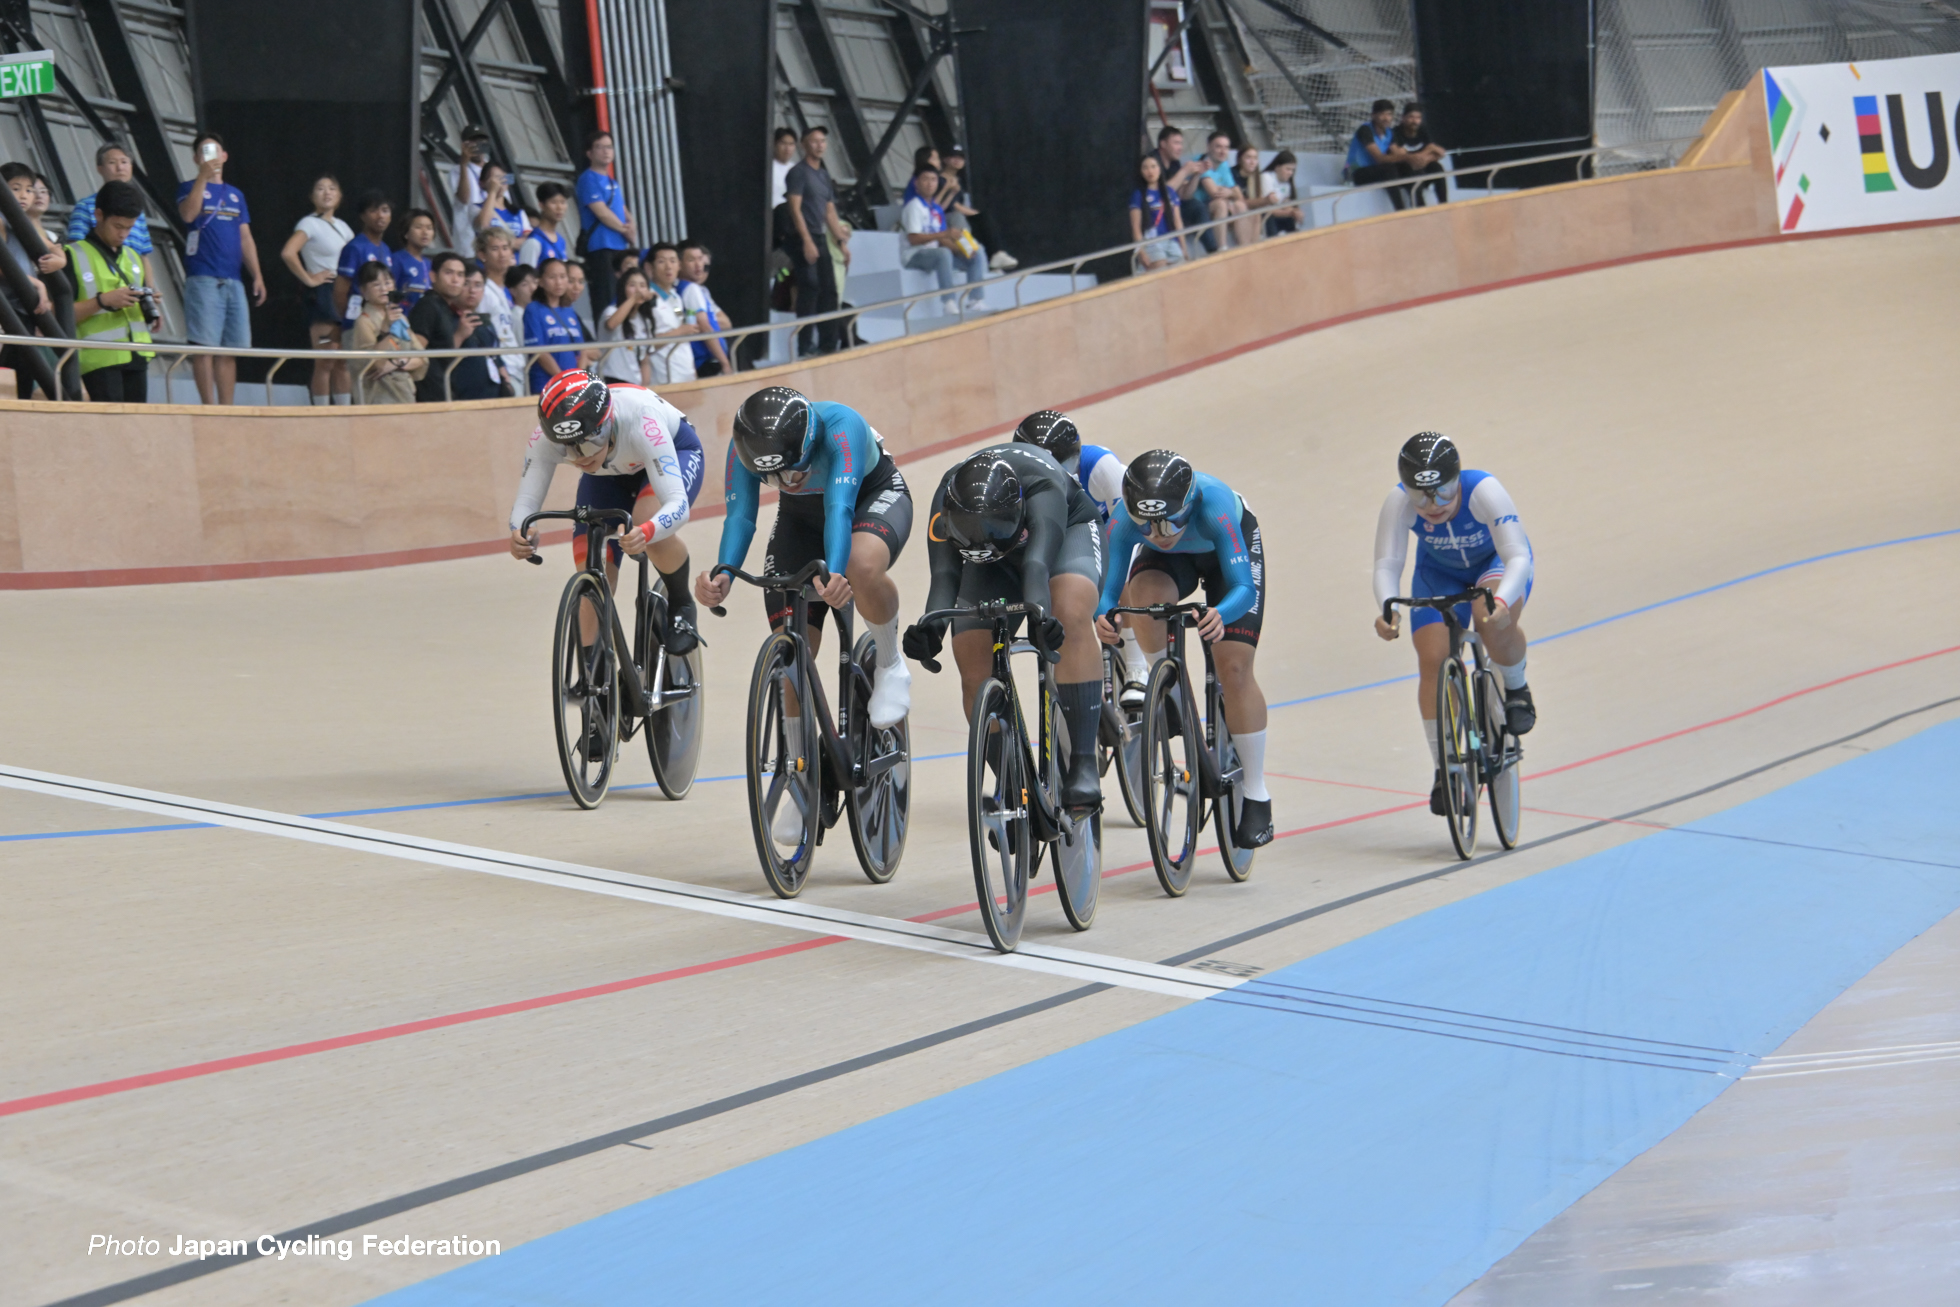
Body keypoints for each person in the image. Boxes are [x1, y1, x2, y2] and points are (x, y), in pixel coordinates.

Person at [696, 388, 913, 762]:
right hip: (801, 519)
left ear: (810, 445)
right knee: (790, 653)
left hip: (868, 497)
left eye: (793, 471)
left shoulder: (842, 427)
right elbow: (741, 517)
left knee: (859, 567)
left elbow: (839, 508)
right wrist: (724, 573)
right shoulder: (746, 447)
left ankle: (890, 662)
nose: (786, 481)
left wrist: (836, 573)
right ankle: (798, 772)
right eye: (773, 477)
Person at [904, 444, 1107, 807]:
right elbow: (944, 577)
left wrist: (1041, 619)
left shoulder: (1042, 490)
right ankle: (1011, 782)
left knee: (1070, 610)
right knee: (970, 654)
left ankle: (1083, 762)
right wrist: (929, 629)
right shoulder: (947, 501)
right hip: (988, 555)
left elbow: (1036, 569)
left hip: (1064, 535)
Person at [1094, 450, 1273, 847]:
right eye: (1148, 525)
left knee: (1235, 668)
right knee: (1141, 596)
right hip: (1172, 564)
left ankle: (1257, 793)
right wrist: (1104, 615)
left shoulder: (1215, 506)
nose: (1160, 533)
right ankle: (1169, 692)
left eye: (1171, 521)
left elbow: (1243, 587)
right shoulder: (1127, 521)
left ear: (1189, 504)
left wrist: (1221, 612)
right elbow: (1109, 590)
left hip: (1227, 558)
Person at [1371, 432, 1535, 813]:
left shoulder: (1484, 491)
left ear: (1457, 479)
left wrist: (1502, 600)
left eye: (1443, 492)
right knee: (1431, 659)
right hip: (1438, 574)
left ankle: (1516, 688)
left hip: (1494, 564)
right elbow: (1387, 565)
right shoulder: (1398, 503)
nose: (1432, 505)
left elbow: (1517, 556)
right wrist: (1386, 608)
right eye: (1420, 496)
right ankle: (1444, 767)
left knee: (1488, 620)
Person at [508, 371, 705, 668]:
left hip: (674, 452)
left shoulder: (642, 420)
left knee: (644, 521)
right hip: (608, 475)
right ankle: (592, 668)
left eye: (586, 444)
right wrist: (520, 532)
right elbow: (525, 504)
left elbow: (677, 504)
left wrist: (649, 531)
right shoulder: (548, 438)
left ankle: (681, 603)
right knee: (591, 569)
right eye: (567, 449)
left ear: (607, 423)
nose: (579, 458)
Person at [1013, 410, 1146, 698]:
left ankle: (1137, 667)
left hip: (1114, 536)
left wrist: (1105, 605)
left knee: (1121, 574)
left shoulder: (1100, 466)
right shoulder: (1017, 477)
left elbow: (1130, 529)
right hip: (1066, 539)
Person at [176, 132, 265, 405]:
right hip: (204, 277)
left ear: (225, 156)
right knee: (204, 346)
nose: (211, 157)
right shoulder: (187, 187)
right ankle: (208, 405)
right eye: (204, 152)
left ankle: (227, 407)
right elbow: (188, 215)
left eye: (214, 151)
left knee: (230, 349)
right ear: (195, 158)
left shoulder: (236, 195)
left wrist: (257, 275)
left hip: (233, 279)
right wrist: (202, 178)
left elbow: (245, 236)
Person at [66, 180, 158, 403]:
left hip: (138, 354)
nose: (124, 234)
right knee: (110, 430)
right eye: (118, 226)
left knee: (135, 429)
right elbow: (56, 314)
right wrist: (103, 301)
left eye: (130, 227)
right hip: (99, 359)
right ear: (98, 215)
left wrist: (150, 305)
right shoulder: (72, 255)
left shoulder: (134, 257)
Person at [278, 173, 352, 405]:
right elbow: (288, 252)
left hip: (344, 295)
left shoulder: (343, 227)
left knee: (343, 359)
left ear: (339, 196)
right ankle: (321, 413)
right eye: (321, 188)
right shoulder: (309, 223)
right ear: (312, 197)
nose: (327, 192)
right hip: (323, 295)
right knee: (326, 358)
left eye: (332, 188)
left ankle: (344, 413)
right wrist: (309, 279)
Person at [783, 125, 850, 357]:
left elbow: (829, 212)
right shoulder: (798, 173)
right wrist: (806, 240)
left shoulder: (823, 174)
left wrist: (841, 242)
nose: (819, 145)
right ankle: (804, 344)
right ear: (804, 145)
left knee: (829, 290)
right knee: (810, 286)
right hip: (800, 236)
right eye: (814, 141)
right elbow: (794, 208)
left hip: (820, 236)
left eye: (822, 141)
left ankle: (828, 344)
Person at [899, 164, 986, 309]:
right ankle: (948, 302)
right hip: (914, 256)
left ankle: (975, 300)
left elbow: (942, 240)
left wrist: (961, 250)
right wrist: (944, 234)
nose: (930, 183)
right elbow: (913, 239)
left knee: (974, 253)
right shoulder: (913, 206)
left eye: (933, 180)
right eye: (925, 179)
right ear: (916, 182)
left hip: (936, 256)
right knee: (943, 254)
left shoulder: (936, 209)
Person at [66, 144, 154, 288]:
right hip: (101, 284)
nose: (120, 168)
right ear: (99, 168)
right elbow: (75, 248)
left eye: (124, 162)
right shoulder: (86, 206)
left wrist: (150, 290)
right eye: (112, 163)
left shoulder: (138, 212)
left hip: (134, 286)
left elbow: (143, 255)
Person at [577, 131, 636, 326]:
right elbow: (601, 212)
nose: (606, 151)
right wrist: (624, 229)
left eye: (609, 147)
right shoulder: (588, 179)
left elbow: (623, 210)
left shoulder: (613, 182)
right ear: (589, 153)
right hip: (601, 247)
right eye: (600, 147)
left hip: (619, 248)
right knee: (606, 298)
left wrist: (631, 225)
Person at [346, 261, 426, 405]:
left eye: (388, 283)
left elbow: (421, 358)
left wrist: (398, 364)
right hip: (377, 395)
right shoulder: (364, 321)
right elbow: (374, 363)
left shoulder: (401, 318)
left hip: (404, 392)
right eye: (376, 285)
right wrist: (386, 329)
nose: (384, 289)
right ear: (363, 291)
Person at [408, 251, 482, 402]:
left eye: (460, 275)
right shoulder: (428, 306)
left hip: (444, 389)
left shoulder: (444, 308)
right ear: (433, 276)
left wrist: (460, 335)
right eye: (449, 273)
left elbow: (443, 351)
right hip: (427, 395)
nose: (455, 280)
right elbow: (415, 351)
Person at [938, 144, 1017, 271]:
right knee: (974, 218)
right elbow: (954, 206)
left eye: (961, 158)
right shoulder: (939, 180)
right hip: (945, 220)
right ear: (945, 159)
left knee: (982, 222)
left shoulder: (957, 181)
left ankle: (994, 256)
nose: (957, 160)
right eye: (953, 156)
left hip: (957, 218)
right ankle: (973, 258)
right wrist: (975, 214)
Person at [332, 190, 393, 336]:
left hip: (382, 322)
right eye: (373, 211)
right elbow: (340, 291)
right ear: (362, 216)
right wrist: (349, 321)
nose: (380, 216)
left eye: (385, 210)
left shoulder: (386, 249)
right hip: (358, 324)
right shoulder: (354, 248)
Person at [522, 257, 585, 393]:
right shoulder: (533, 309)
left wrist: (579, 380)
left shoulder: (570, 311)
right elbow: (539, 351)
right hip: (547, 385)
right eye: (552, 277)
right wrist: (563, 380)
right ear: (541, 281)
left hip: (574, 386)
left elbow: (581, 350)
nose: (558, 282)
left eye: (563, 277)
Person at [642, 242, 702, 385]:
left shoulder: (675, 297)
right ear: (649, 267)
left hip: (687, 373)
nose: (669, 267)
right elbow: (644, 344)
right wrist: (680, 331)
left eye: (673, 261)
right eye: (662, 261)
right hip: (664, 378)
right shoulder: (645, 299)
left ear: (679, 266)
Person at [474, 227, 524, 390]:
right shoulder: (483, 290)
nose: (502, 254)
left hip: (516, 367)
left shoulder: (505, 290)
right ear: (482, 255)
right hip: (499, 371)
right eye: (495, 249)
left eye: (506, 248)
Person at [676, 240, 733, 377]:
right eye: (691, 260)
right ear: (680, 264)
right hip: (707, 362)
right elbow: (704, 326)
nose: (698, 265)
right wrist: (725, 363)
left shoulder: (678, 289)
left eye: (700, 259)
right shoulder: (691, 289)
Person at [452, 266, 509, 399]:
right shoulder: (447, 319)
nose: (472, 291)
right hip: (462, 398)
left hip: (493, 395)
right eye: (466, 284)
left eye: (478, 285)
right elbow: (441, 357)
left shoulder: (485, 322)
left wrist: (506, 379)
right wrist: (460, 334)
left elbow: (495, 355)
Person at [1348, 99, 1416, 210]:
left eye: (1389, 114)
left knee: (1407, 168)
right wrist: (1407, 156)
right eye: (1382, 114)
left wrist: (1412, 158)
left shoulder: (1389, 133)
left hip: (1376, 171)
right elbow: (1379, 158)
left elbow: (1397, 153)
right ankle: (1400, 210)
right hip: (1357, 174)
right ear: (1373, 115)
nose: (1386, 118)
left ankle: (1419, 208)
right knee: (1388, 169)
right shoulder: (1365, 130)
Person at [1149, 126, 1209, 249]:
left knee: (1196, 206)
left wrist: (1197, 175)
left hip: (1171, 207)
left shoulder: (1174, 163)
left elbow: (1184, 195)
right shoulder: (1151, 162)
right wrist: (1184, 172)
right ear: (1163, 144)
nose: (1180, 148)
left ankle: (1213, 249)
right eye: (1176, 143)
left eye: (1181, 143)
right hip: (1153, 210)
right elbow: (1158, 194)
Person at [597, 263, 655, 385]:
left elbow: (645, 359)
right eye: (632, 285)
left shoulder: (645, 320)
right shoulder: (611, 311)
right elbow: (612, 324)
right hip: (612, 379)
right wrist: (634, 298)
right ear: (623, 288)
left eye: (643, 285)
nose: (638, 290)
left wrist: (645, 387)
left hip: (635, 382)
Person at [1129, 154, 1186, 270]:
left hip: (1171, 240)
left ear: (1159, 169)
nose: (1150, 171)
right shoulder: (1138, 195)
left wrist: (1183, 247)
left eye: (1153, 166)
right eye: (1145, 168)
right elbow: (1136, 227)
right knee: (1160, 268)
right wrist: (1141, 251)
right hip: (1151, 242)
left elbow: (1177, 221)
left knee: (1179, 271)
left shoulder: (1169, 192)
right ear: (1140, 171)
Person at [1197, 132, 1251, 248]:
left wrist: (1230, 193)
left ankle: (1244, 247)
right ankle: (1222, 248)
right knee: (1221, 204)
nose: (1223, 151)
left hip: (1214, 205)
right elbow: (1214, 193)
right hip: (1198, 209)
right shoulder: (1201, 162)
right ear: (1208, 147)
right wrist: (1230, 195)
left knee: (1240, 205)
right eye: (1218, 146)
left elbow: (1238, 195)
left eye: (1226, 147)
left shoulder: (1223, 164)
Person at [1394, 103, 1448, 207]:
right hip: (1405, 172)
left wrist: (1423, 157)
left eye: (1418, 118)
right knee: (1411, 171)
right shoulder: (1396, 133)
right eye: (1411, 117)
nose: (1415, 121)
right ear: (1403, 118)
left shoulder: (1422, 131)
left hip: (1422, 167)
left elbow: (1440, 153)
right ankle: (1420, 208)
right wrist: (1427, 151)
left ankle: (1444, 205)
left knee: (1437, 168)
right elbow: (1403, 157)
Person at [449, 124, 492, 253]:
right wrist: (463, 163)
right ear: (464, 145)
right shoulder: (457, 171)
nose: (478, 145)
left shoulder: (494, 170)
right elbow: (464, 198)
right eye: (473, 142)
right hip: (469, 243)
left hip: (493, 241)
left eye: (481, 141)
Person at [517, 182, 570, 267]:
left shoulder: (561, 240)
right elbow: (526, 276)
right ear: (541, 205)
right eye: (553, 202)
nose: (559, 207)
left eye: (563, 202)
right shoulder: (533, 241)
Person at [391, 208, 436, 309]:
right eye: (418, 227)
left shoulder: (429, 264)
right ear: (406, 233)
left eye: (429, 228)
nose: (425, 232)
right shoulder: (397, 259)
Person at [475, 162, 529, 239]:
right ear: (482, 183)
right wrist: (492, 192)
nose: (499, 183)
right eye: (495, 179)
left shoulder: (518, 212)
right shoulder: (476, 208)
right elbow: (483, 227)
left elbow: (528, 239)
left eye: (503, 178)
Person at [1259, 150, 1305, 236]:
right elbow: (1269, 209)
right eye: (1288, 169)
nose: (1290, 173)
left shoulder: (1287, 185)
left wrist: (1296, 212)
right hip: (1265, 216)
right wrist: (1290, 213)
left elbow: (1286, 205)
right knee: (1270, 218)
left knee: (1291, 219)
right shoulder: (1266, 178)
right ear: (1277, 167)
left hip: (1276, 215)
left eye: (1292, 170)